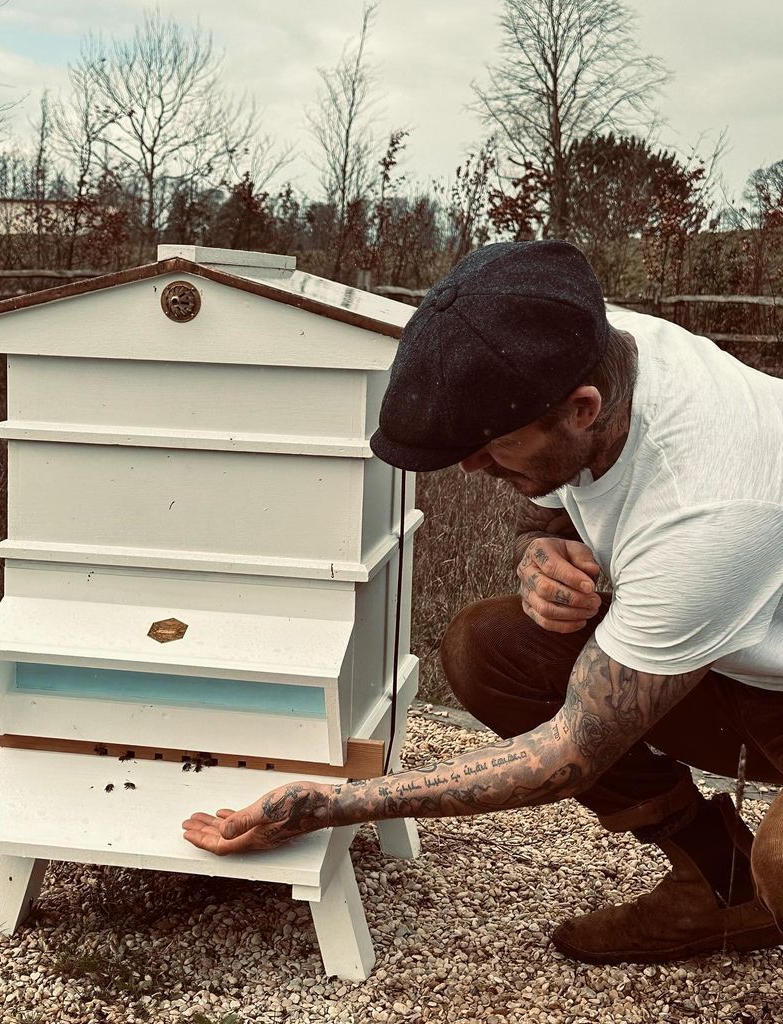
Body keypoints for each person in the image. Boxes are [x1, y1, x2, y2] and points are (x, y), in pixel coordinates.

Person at [182, 240, 783, 964]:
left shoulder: (707, 509)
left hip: (750, 652)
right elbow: (564, 490)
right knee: (489, 647)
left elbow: (568, 754)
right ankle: (718, 885)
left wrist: (331, 803)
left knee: (780, 861)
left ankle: (761, 885)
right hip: (741, 652)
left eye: (491, 444)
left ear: (581, 409)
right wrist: (537, 546)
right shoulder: (580, 345)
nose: (470, 466)